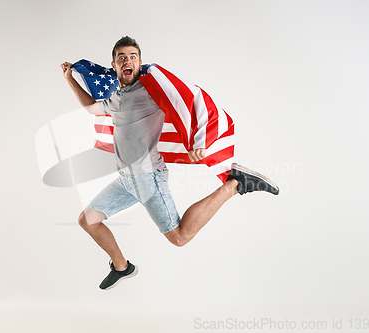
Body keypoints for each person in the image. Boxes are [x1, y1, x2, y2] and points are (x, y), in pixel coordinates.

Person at [61, 36, 279, 290]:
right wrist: (70, 80)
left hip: (148, 177)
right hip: (125, 180)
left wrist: (199, 140)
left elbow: (189, 99)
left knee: (179, 237)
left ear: (140, 62)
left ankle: (233, 185)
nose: (127, 60)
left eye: (132, 56)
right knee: (88, 220)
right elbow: (91, 109)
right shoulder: (117, 97)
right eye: (122, 58)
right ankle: (122, 267)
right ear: (114, 65)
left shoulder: (150, 88)